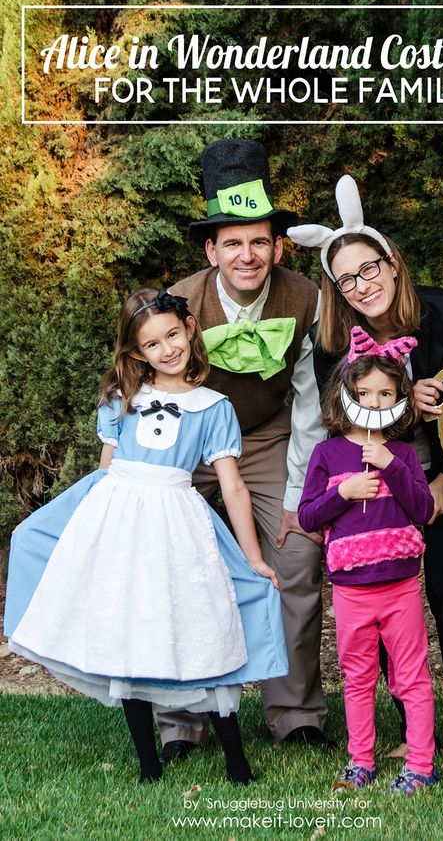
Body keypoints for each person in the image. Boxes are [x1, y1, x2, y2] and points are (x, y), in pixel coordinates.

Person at [4, 288, 287, 785]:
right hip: (120, 529)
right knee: (127, 628)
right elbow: (104, 475)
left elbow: (233, 486)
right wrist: (80, 537)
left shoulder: (214, 406)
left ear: (190, 329)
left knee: (206, 621)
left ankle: (236, 762)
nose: (167, 349)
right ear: (137, 353)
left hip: (180, 527)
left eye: (173, 334)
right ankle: (148, 764)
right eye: (153, 344)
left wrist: (253, 558)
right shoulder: (121, 401)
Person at [288, 175, 443, 770]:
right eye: (346, 278)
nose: (361, 285)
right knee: (377, 593)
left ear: (393, 263)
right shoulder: (333, 346)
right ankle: (412, 728)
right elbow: (333, 428)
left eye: (369, 268)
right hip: (376, 485)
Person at [157, 137, 331, 758]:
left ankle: (295, 711)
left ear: (278, 245)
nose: (247, 254)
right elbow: (151, 397)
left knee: (297, 561)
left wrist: (294, 498)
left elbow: (311, 402)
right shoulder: (177, 304)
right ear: (211, 249)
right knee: (182, 569)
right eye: (232, 241)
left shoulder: (307, 299)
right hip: (189, 444)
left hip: (266, 439)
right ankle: (181, 720)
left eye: (259, 240)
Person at [298, 333, 440, 794]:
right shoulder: (327, 453)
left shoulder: (401, 455)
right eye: (364, 394)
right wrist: (342, 493)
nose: (374, 402)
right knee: (357, 679)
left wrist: (390, 466)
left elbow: (423, 510)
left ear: (400, 399)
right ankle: (362, 760)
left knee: (411, 677)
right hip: (350, 590)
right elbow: (307, 515)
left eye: (385, 394)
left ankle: (421, 763)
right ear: (346, 396)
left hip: (399, 587)